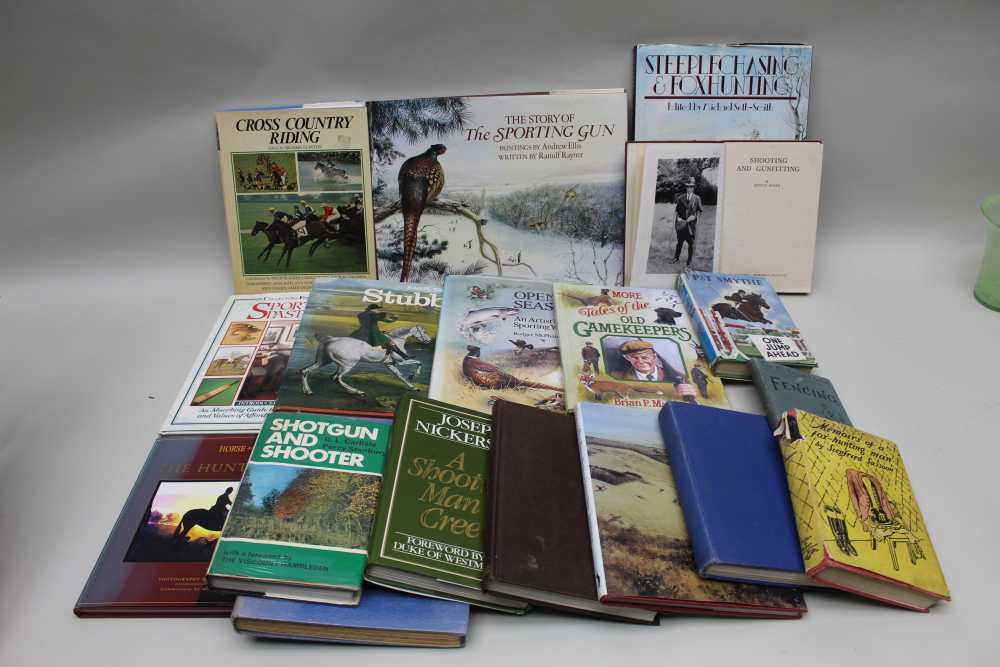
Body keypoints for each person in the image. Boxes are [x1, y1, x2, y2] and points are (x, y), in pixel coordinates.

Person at [610, 340, 685, 384]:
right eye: (634, 358)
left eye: (644, 357)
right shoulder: (616, 377)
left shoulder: (680, 376)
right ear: (628, 358)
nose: (640, 362)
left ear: (654, 356)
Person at [672, 177, 702, 266]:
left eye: (691, 187)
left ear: (693, 188)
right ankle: (676, 258)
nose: (689, 188)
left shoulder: (697, 198)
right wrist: (677, 219)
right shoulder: (681, 198)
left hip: (691, 226)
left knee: (691, 244)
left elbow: (700, 211)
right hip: (681, 225)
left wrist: (694, 217)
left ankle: (689, 262)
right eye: (688, 187)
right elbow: (677, 211)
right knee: (679, 243)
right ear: (686, 187)